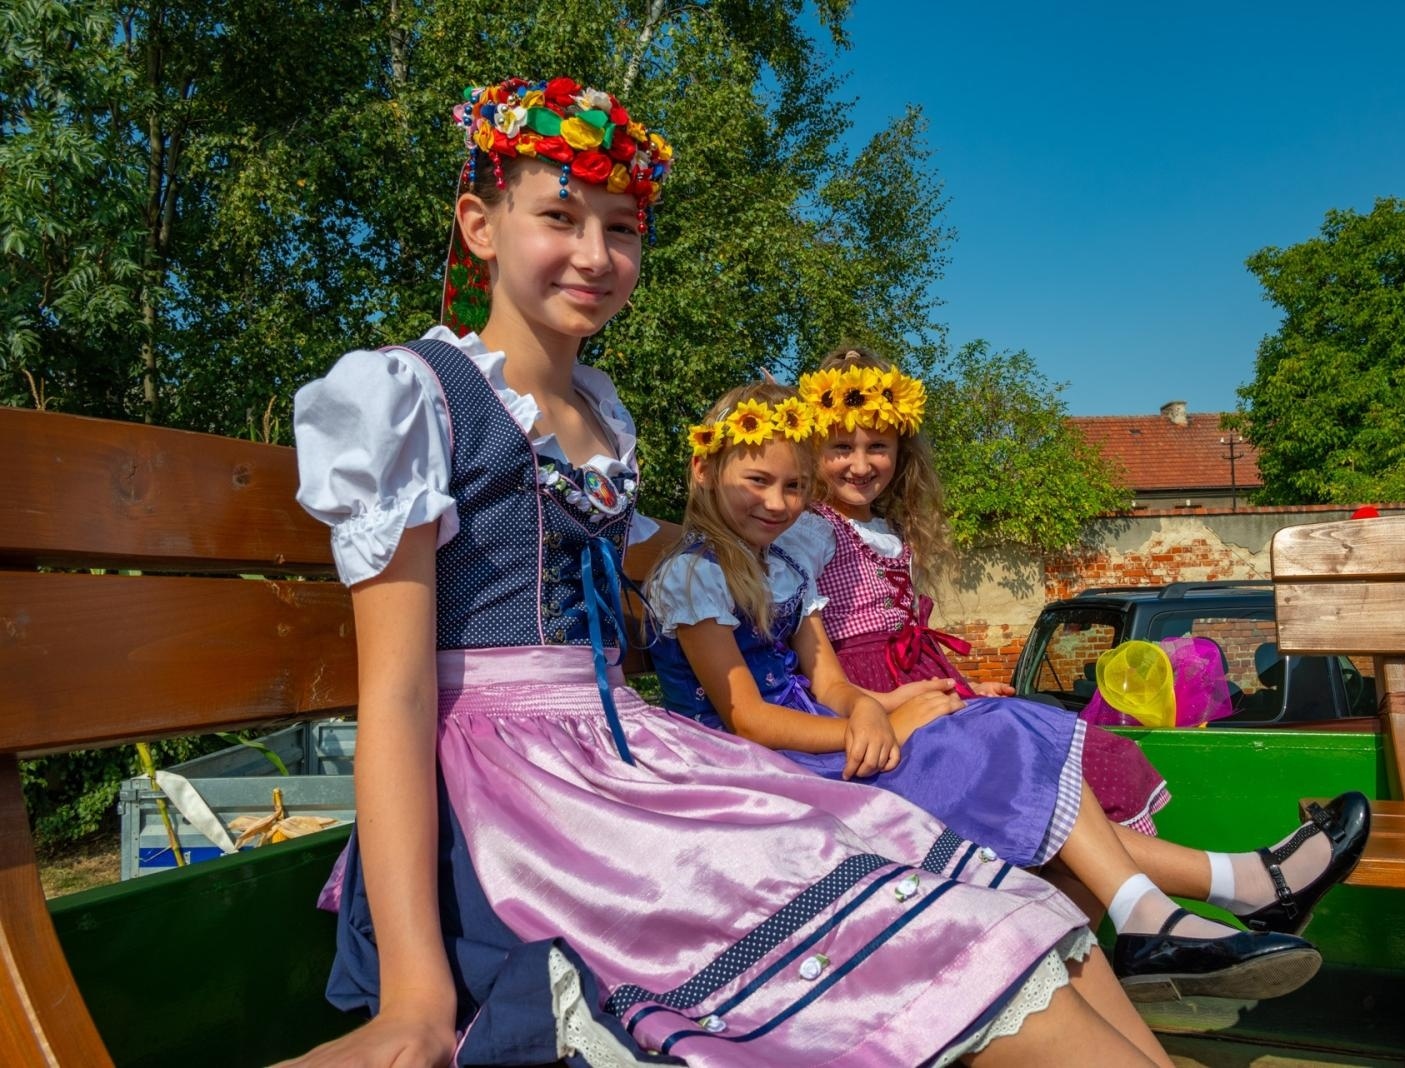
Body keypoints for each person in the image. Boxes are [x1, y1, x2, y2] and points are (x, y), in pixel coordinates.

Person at [285, 75, 1180, 1067]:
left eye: (621, 228)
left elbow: (646, 545)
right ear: (479, 224)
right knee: (929, 923)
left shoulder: (597, 412)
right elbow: (400, 694)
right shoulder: (413, 395)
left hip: (618, 746)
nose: (594, 253)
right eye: (559, 217)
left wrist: (757, 562)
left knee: (1000, 903)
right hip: (511, 785)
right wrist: (415, 995)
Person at [648, 381, 1362, 1005]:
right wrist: (868, 726)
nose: (778, 503)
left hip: (820, 729)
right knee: (995, 742)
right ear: (705, 470)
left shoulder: (782, 572)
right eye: (759, 482)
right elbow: (745, 717)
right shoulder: (696, 575)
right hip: (758, 758)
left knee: (1011, 726)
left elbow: (829, 681)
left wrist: (873, 705)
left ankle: (1160, 919)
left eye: (793, 487)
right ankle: (1218, 894)